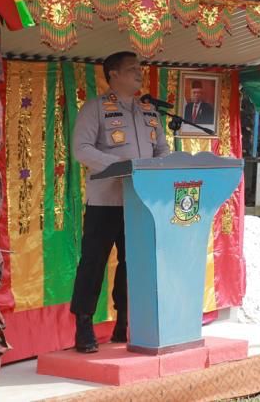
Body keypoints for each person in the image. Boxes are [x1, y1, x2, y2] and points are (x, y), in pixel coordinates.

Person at [70, 52, 169, 353]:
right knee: (93, 263)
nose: (139, 74)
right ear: (113, 74)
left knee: (133, 264)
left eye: (140, 69)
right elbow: (81, 148)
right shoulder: (96, 109)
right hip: (105, 202)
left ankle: (124, 322)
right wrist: (119, 165)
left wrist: (159, 170)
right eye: (131, 70)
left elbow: (162, 150)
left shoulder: (149, 111)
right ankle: (84, 326)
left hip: (140, 203)